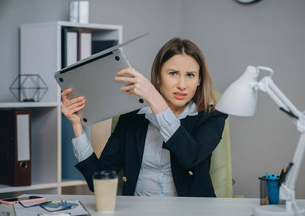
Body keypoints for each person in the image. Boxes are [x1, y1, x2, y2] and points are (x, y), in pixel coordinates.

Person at [61, 38, 227, 197]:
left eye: (190, 75)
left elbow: (189, 157)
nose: (182, 85)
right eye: (173, 73)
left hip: (191, 211)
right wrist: (77, 126)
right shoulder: (132, 118)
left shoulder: (212, 117)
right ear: (157, 77)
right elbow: (96, 181)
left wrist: (154, 98)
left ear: (199, 80)